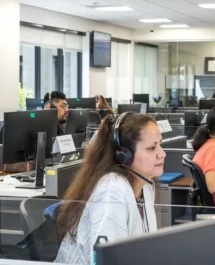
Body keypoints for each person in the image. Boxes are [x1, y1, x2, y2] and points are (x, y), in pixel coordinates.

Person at [55, 112, 166, 264]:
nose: (162, 153)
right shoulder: (111, 193)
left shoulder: (145, 185)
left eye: (160, 144)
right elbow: (104, 260)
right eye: (152, 148)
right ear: (124, 155)